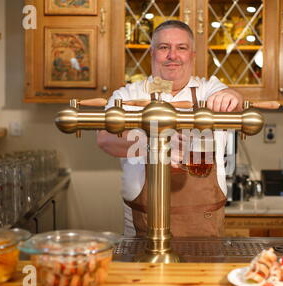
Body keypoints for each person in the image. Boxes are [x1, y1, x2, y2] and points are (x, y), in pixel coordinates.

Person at [97, 20, 243, 237]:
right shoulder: (129, 95)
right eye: (164, 47)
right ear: (152, 53)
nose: (172, 55)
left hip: (205, 227)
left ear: (192, 55)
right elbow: (105, 139)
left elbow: (236, 101)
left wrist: (231, 96)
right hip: (144, 227)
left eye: (181, 48)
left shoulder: (208, 89)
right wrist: (156, 144)